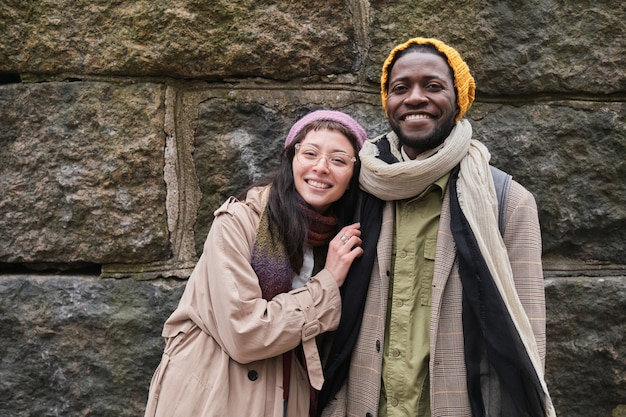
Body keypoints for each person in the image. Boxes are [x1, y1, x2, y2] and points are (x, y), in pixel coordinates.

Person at [319, 38, 556, 416]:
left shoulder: (507, 202)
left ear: (458, 98)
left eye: (433, 86)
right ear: (387, 101)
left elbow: (528, 341)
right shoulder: (358, 189)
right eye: (400, 88)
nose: (414, 98)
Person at [143, 110, 369, 417]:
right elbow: (245, 333)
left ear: (352, 176)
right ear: (292, 158)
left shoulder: (342, 239)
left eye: (339, 160)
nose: (321, 167)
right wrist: (327, 283)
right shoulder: (238, 222)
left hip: (289, 396)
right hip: (214, 398)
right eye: (310, 153)